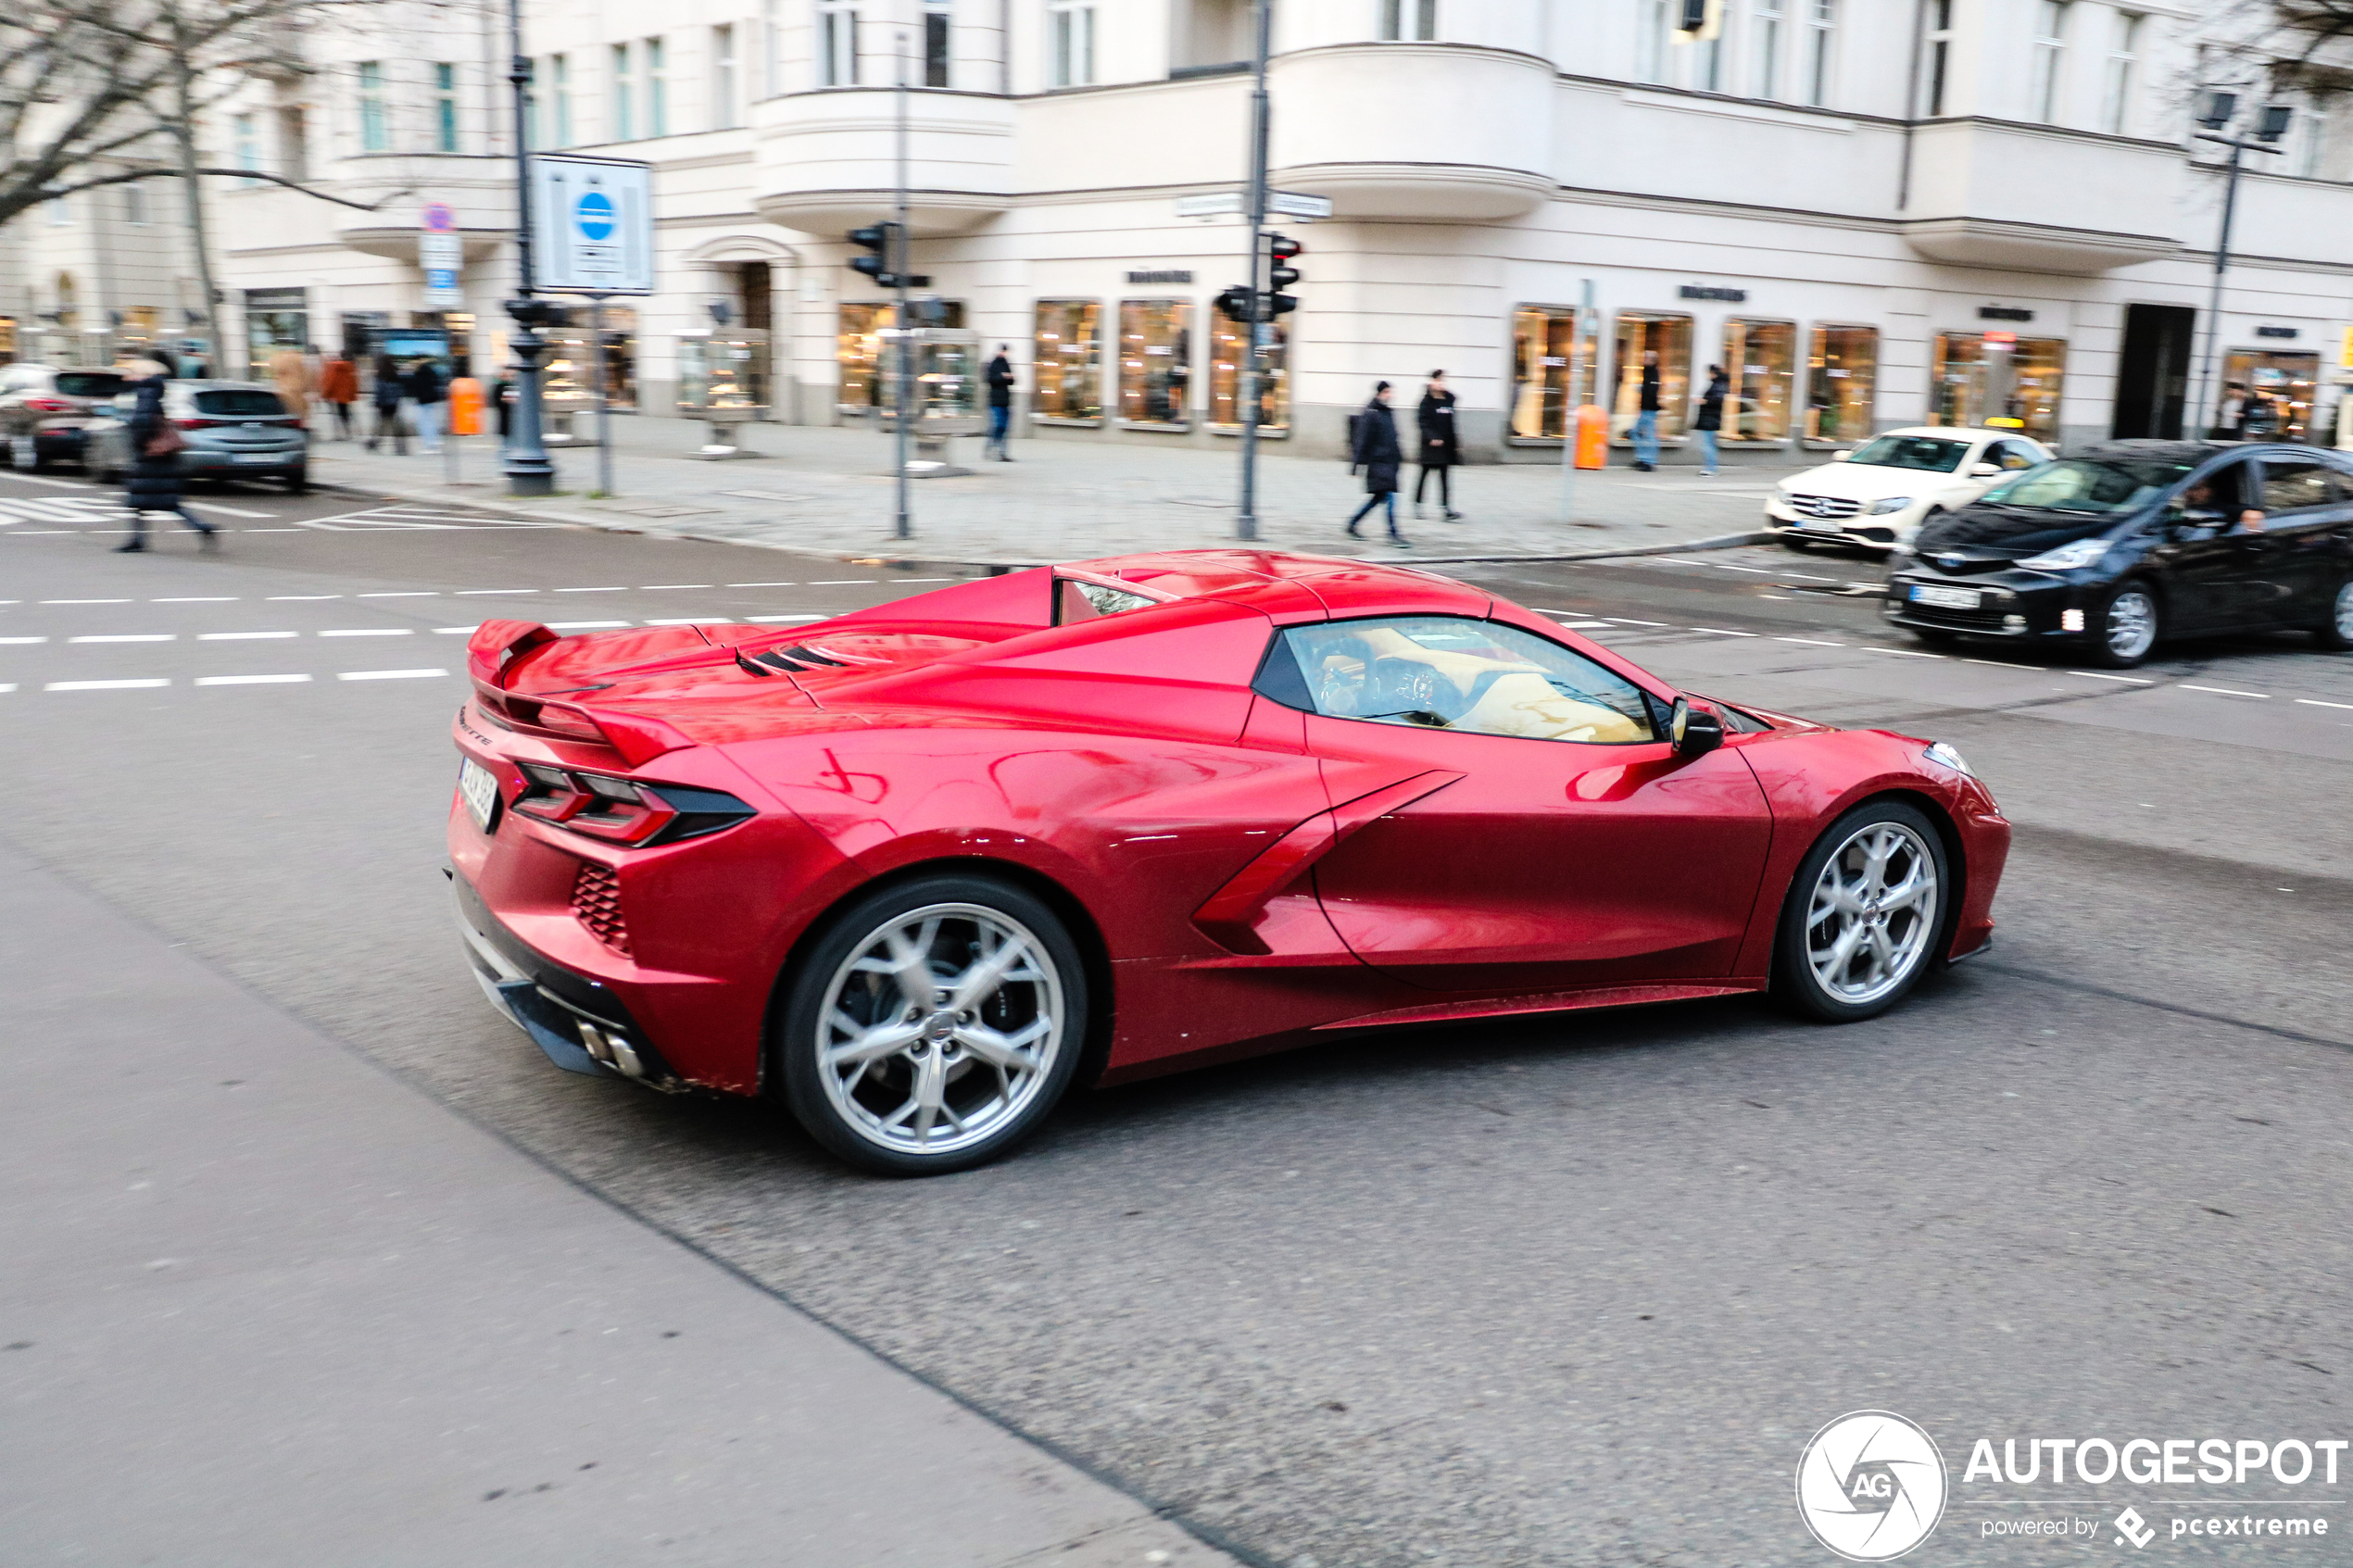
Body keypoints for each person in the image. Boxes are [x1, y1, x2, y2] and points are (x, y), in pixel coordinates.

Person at [115, 360, 216, 553]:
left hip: (151, 457)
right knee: (158, 502)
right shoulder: (154, 390)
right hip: (159, 457)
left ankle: (139, 540)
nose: (127, 376)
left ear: (141, 375)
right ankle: (201, 528)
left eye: (131, 372)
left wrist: (138, 441)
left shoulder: (146, 392)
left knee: (149, 501)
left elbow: (143, 422)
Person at [1345, 381, 1406, 547]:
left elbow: (1393, 437)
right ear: (1379, 393)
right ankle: (1393, 534)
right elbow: (1362, 440)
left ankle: (1352, 524)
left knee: (1377, 498)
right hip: (1378, 463)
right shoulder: (1371, 413)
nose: (1390, 395)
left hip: (1389, 462)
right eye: (1387, 392)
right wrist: (1356, 464)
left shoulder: (1387, 412)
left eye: (1390, 392)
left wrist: (1399, 457)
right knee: (1390, 497)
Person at [1414, 370, 1462, 521]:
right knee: (1424, 477)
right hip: (1430, 447)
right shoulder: (1426, 402)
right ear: (1431, 382)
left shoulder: (1448, 400)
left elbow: (1451, 424)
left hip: (1445, 447)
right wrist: (1432, 437)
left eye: (1443, 381)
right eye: (1438, 381)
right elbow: (1423, 422)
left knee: (1444, 479)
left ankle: (1446, 509)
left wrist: (1456, 444)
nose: (1441, 384)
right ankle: (1418, 505)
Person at [404, 357, 447, 452]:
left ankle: (429, 445)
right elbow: (435, 383)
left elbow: (414, 387)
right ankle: (434, 441)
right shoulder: (430, 371)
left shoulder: (418, 374)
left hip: (422, 400)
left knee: (424, 423)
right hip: (431, 399)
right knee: (430, 421)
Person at [1693, 363, 1729, 476]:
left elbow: (1717, 401)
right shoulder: (1717, 384)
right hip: (1710, 418)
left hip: (1710, 418)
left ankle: (1711, 468)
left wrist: (1703, 401)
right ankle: (1710, 467)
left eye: (1709, 372)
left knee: (1708, 445)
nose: (1707, 375)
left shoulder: (1718, 385)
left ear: (1713, 373)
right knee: (1709, 444)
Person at [367, 354, 407, 454]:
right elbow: (400, 391)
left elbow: (379, 391)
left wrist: (377, 402)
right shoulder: (395, 374)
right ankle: (400, 448)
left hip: (384, 405)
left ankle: (374, 444)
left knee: (380, 426)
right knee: (396, 427)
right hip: (394, 405)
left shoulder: (381, 374)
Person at [1630, 348, 1662, 470]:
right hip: (1645, 408)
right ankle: (1643, 458)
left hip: (1649, 409)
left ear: (1651, 360)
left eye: (1645, 358)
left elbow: (1652, 391)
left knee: (1649, 436)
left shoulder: (1653, 372)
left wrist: (1642, 389)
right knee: (1636, 432)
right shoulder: (1648, 371)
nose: (1643, 360)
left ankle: (1649, 461)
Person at [318, 351, 359, 441]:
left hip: (335, 396)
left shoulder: (335, 367)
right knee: (345, 414)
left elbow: (331, 382)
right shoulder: (352, 367)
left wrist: (325, 394)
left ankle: (339, 434)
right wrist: (352, 395)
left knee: (336, 415)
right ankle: (348, 433)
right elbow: (354, 383)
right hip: (346, 395)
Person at [984, 344, 1014, 461]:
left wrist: (1010, 377)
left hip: (1005, 400)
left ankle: (1002, 453)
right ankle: (991, 448)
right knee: (997, 426)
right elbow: (991, 380)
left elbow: (1012, 381)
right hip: (995, 401)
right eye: (1002, 351)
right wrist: (1003, 376)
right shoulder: (993, 364)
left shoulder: (1006, 363)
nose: (1003, 353)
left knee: (1004, 428)